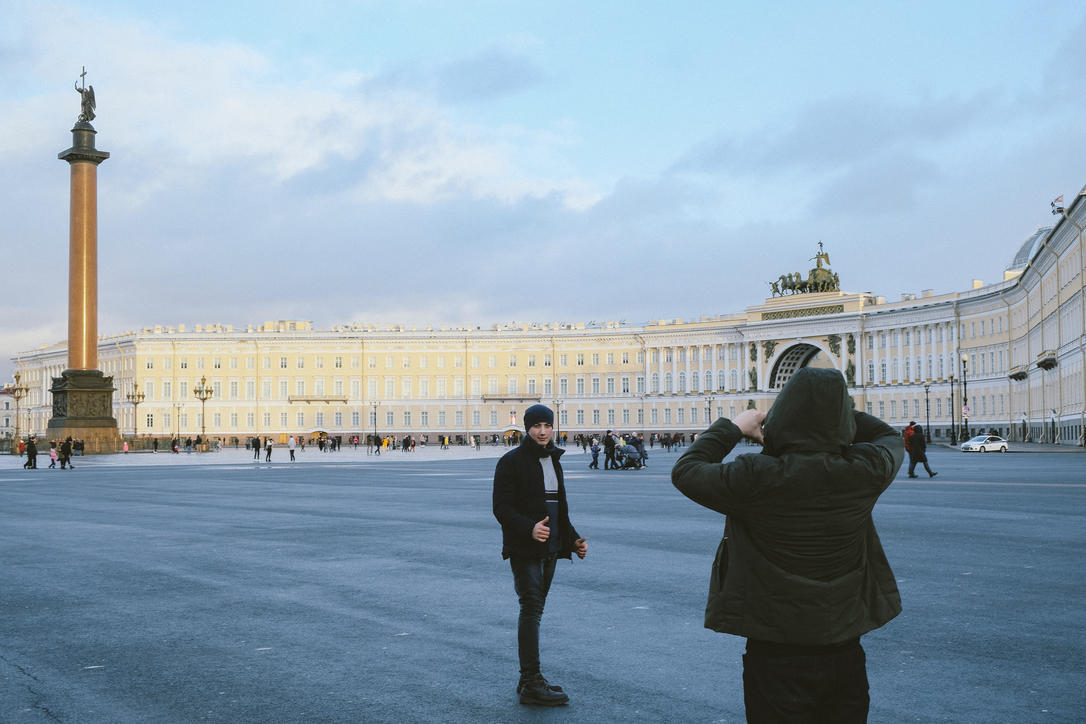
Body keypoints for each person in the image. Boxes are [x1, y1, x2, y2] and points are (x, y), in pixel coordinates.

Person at [671, 367, 904, 723]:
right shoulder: (863, 471)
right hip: (844, 645)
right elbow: (888, 436)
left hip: (774, 649)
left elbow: (687, 470)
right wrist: (832, 410)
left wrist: (734, 427)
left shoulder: (755, 476)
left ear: (783, 414)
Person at [492, 404, 587, 707]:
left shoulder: (554, 460)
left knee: (536, 610)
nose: (543, 431)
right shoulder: (511, 462)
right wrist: (529, 529)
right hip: (525, 548)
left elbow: (557, 508)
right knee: (531, 609)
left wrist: (572, 541)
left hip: (550, 547)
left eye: (547, 425)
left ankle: (527, 679)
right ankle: (532, 681)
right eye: (536, 426)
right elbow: (502, 508)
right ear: (526, 427)